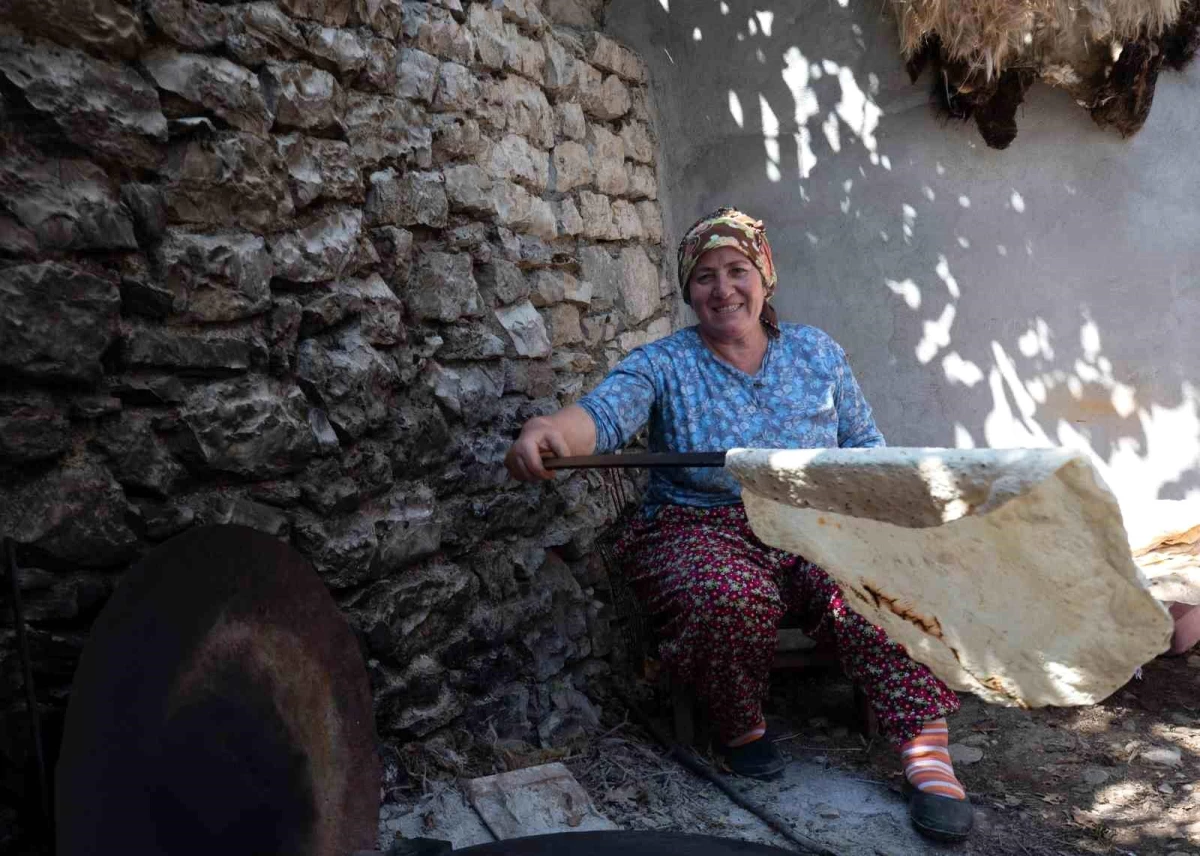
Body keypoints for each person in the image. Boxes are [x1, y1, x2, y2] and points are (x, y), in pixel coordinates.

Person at [504, 207, 974, 842]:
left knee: (881, 586)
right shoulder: (664, 363)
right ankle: (740, 724)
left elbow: (864, 449)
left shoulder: (817, 352)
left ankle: (926, 751)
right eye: (703, 276)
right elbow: (602, 415)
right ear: (687, 290)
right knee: (726, 596)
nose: (722, 289)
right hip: (700, 526)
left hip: (811, 521)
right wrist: (549, 431)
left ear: (765, 277)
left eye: (736, 270)